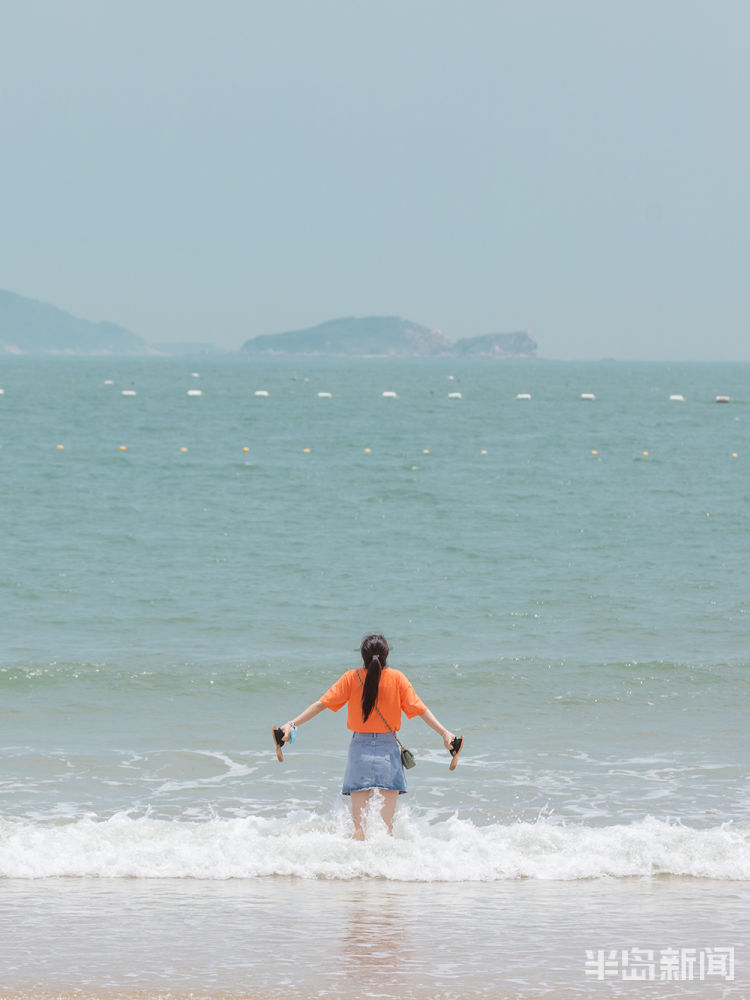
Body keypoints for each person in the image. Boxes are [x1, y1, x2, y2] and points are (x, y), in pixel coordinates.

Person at [275, 634, 462, 840]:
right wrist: (445, 734)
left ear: (362, 656)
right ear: (387, 654)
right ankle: (384, 870)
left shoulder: (350, 678)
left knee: (359, 829)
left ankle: (358, 869)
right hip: (388, 753)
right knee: (387, 829)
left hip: (359, 751)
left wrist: (291, 725)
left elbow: (321, 704)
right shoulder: (397, 678)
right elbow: (421, 710)